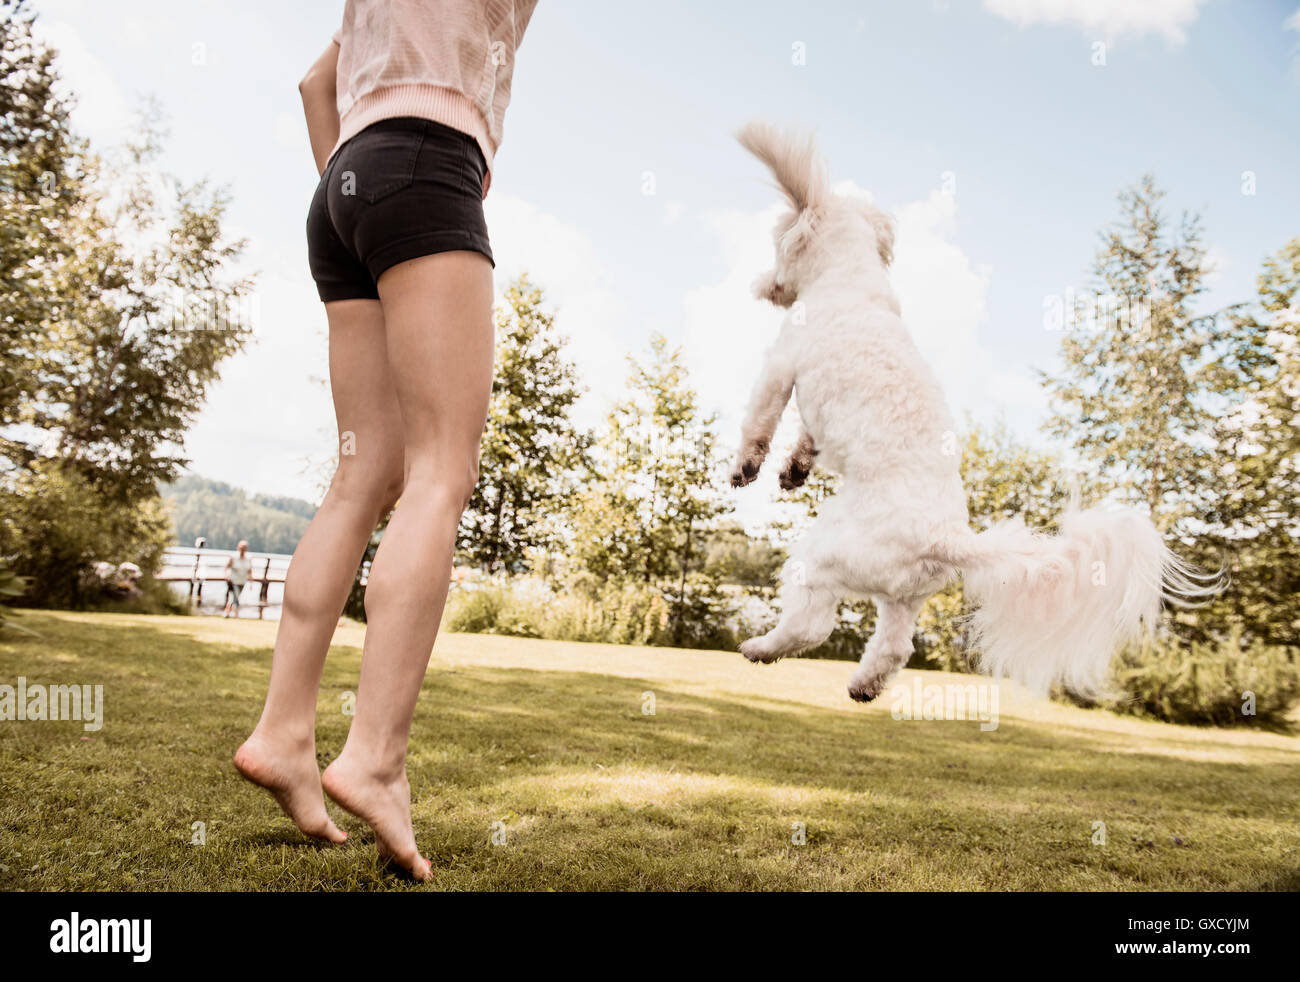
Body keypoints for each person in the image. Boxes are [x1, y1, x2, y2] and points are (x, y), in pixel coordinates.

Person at [234, 0, 538, 882]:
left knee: (363, 474)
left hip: (342, 186)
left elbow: (313, 82)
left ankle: (284, 733)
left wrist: (355, 182)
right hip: (423, 160)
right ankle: (373, 759)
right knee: (443, 470)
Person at [223, 541, 253, 617]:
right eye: (242, 548)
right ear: (238, 548)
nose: (243, 550)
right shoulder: (233, 557)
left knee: (235, 597)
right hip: (233, 581)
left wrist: (251, 582)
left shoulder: (248, 558)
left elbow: (250, 571)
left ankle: (227, 612)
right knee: (235, 597)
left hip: (243, 581)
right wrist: (226, 576)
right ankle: (235, 614)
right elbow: (226, 568)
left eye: (244, 548)